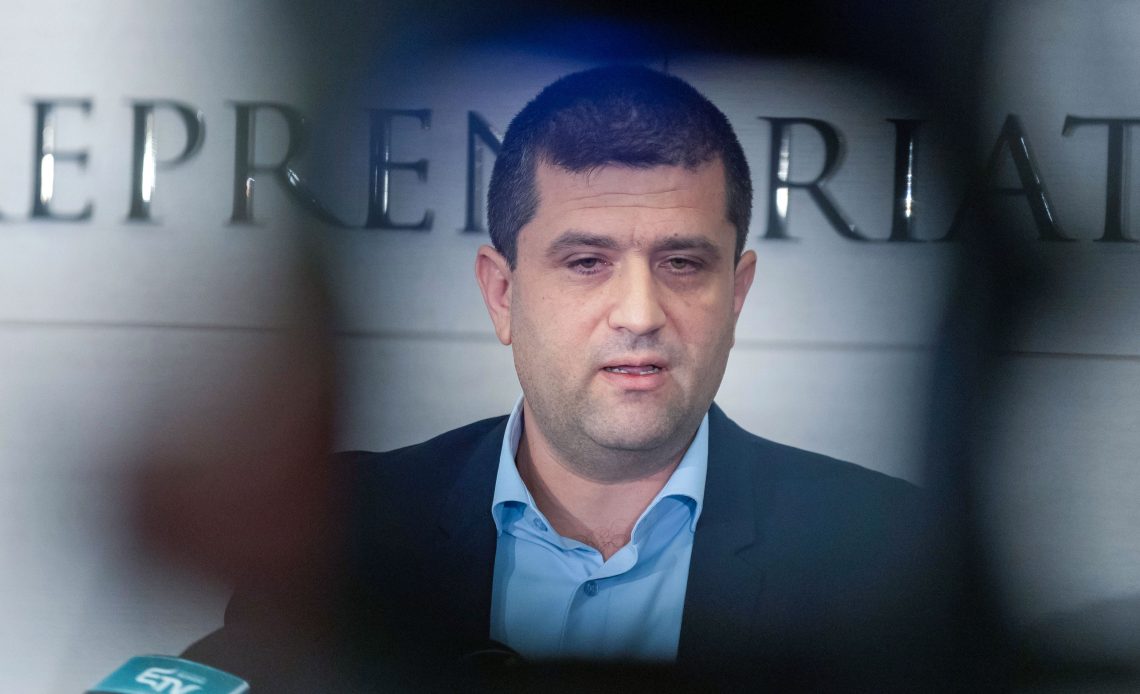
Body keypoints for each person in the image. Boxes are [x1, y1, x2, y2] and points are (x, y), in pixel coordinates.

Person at [186, 65, 944, 690]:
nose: (640, 313)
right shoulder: (335, 533)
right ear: (502, 294)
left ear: (736, 294)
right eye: (586, 262)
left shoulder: (889, 554)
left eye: (683, 263)